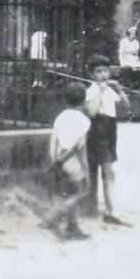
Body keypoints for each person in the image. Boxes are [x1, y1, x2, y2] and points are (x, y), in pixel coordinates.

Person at [82, 56, 128, 226]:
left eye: (105, 71)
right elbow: (92, 113)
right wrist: (100, 92)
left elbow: (126, 107)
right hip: (97, 132)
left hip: (109, 132)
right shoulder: (92, 90)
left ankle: (105, 210)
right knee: (104, 171)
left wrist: (120, 90)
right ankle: (108, 210)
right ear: (92, 75)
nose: (103, 75)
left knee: (106, 172)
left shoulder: (110, 90)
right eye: (99, 72)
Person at [46, 82, 92, 240]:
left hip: (57, 157)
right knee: (82, 191)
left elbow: (55, 140)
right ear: (84, 101)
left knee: (67, 191)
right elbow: (77, 147)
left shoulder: (61, 117)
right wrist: (85, 170)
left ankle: (72, 226)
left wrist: (54, 160)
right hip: (69, 160)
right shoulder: (84, 121)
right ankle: (58, 214)